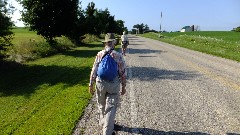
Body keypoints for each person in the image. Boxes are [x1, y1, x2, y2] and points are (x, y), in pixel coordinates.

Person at [89, 33, 127, 135]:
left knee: (101, 104)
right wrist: (123, 86)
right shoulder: (118, 56)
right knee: (111, 107)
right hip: (113, 84)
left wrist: (90, 84)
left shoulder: (99, 54)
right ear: (114, 42)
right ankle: (107, 131)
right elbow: (122, 73)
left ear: (105, 43)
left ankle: (104, 123)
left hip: (100, 82)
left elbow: (94, 70)